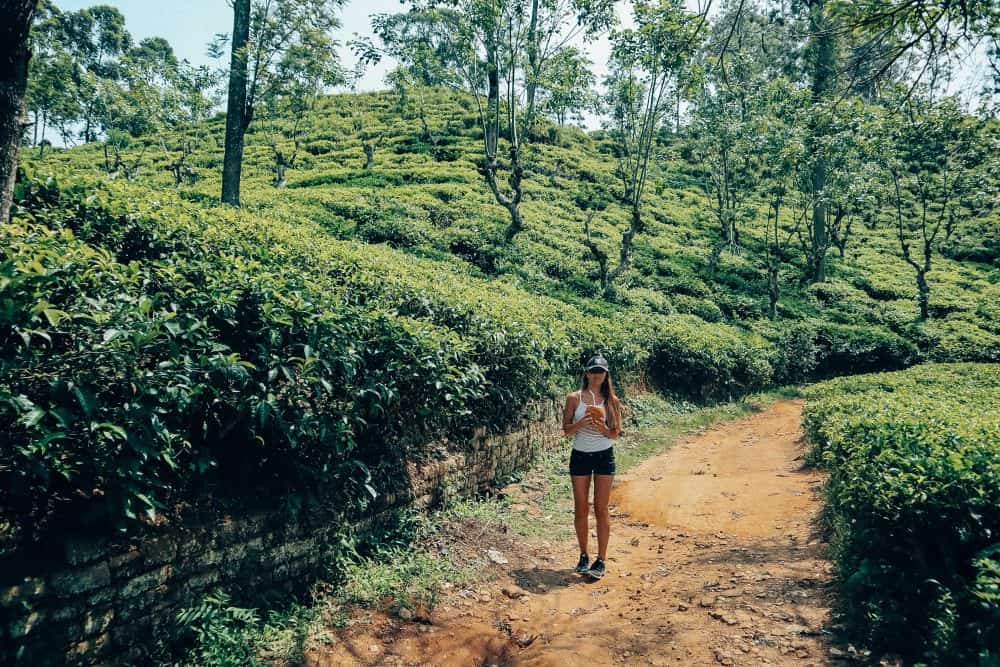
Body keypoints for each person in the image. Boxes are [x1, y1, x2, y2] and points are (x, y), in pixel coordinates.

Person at [561, 354, 623, 580]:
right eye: (593, 371)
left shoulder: (612, 401)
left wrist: (601, 428)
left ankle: (601, 559)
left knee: (601, 508)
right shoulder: (574, 398)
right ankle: (584, 555)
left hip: (604, 456)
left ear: (606, 375)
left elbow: (615, 434)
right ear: (586, 373)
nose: (596, 375)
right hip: (580, 456)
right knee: (581, 507)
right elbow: (566, 430)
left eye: (601, 371)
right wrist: (581, 424)